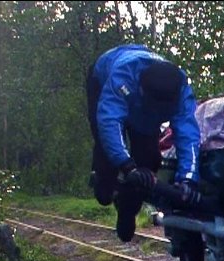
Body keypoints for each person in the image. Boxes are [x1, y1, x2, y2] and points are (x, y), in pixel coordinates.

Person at [86, 44, 201, 241]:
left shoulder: (180, 90)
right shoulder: (122, 78)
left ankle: (127, 208)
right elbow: (110, 123)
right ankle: (103, 183)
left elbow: (188, 136)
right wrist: (127, 164)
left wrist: (188, 179)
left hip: (144, 106)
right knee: (107, 171)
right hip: (103, 79)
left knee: (150, 161)